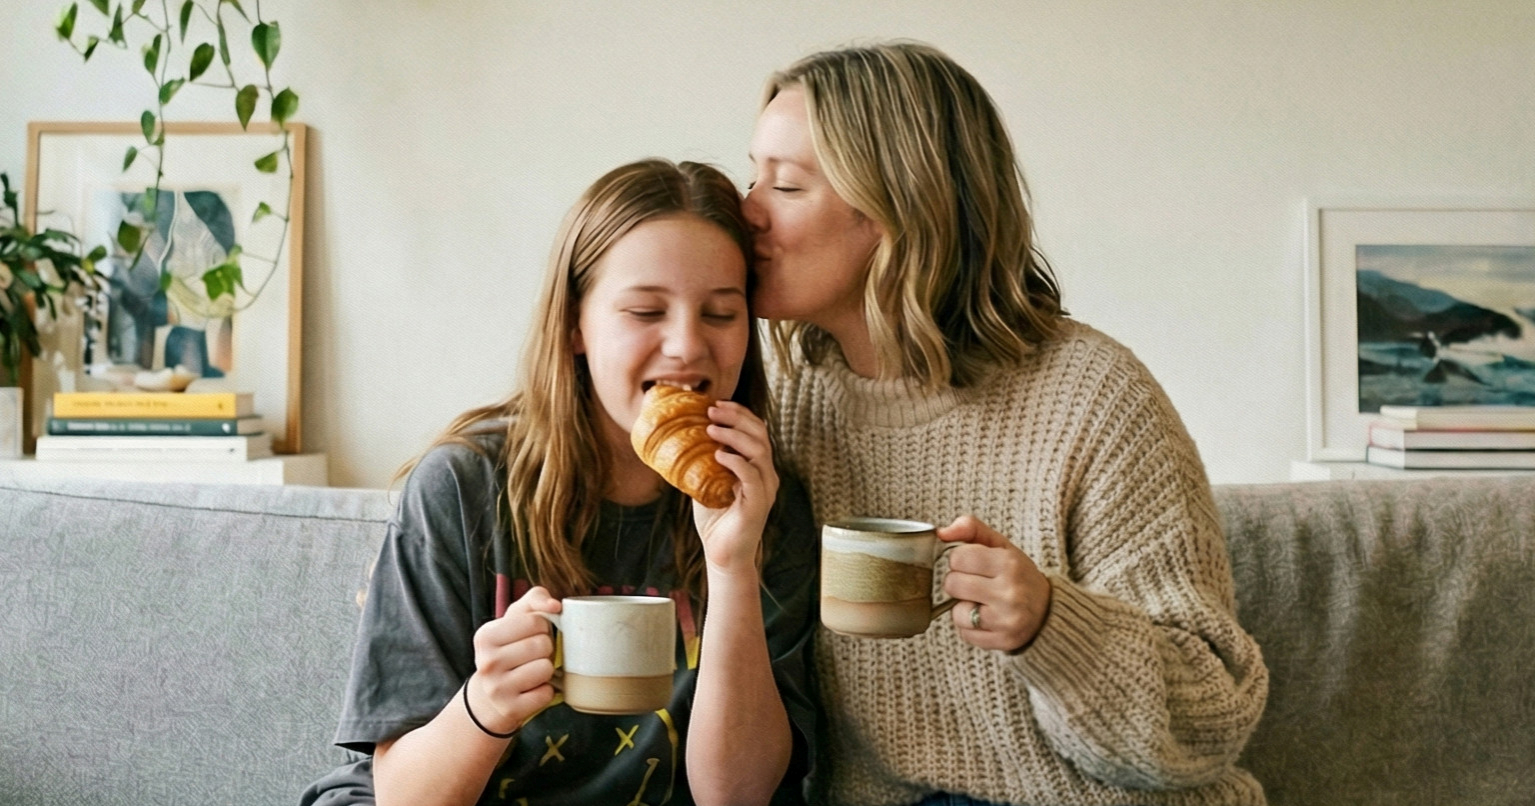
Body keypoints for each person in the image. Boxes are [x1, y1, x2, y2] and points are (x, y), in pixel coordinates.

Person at [743, 41, 1269, 806]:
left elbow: (1206, 723)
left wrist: (1052, 626)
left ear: (897, 209)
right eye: (752, 175)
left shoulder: (1090, 396)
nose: (745, 209)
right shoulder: (782, 406)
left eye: (785, 185)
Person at [301, 159, 818, 806]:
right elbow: (402, 796)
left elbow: (735, 797)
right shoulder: (464, 487)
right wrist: (485, 707)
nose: (687, 345)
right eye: (645, 310)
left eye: (720, 313)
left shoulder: (763, 504)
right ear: (575, 325)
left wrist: (732, 566)